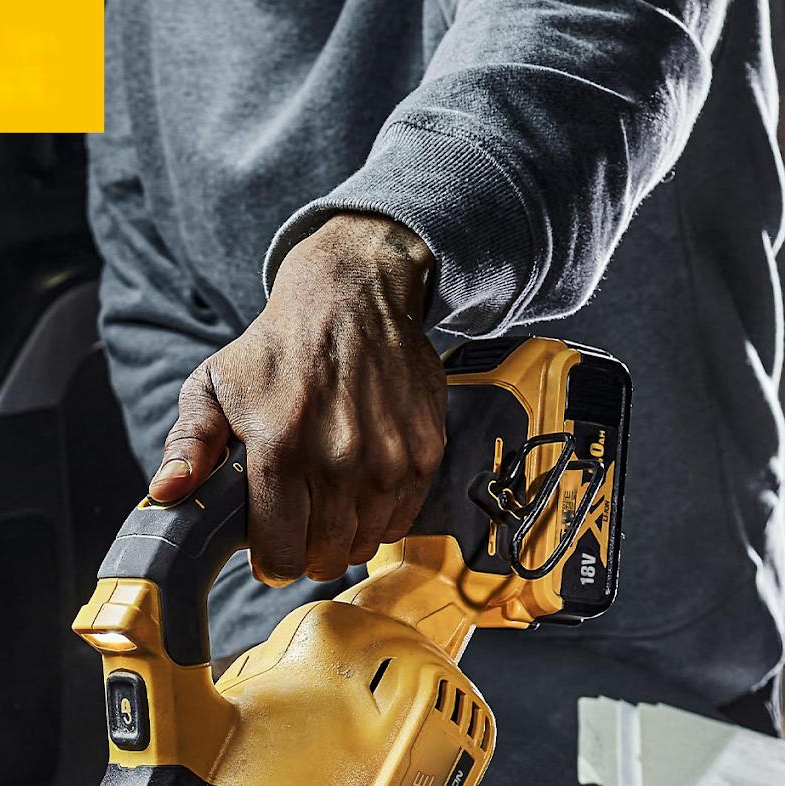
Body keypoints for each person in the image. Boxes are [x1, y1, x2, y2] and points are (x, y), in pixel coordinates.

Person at [87, 1, 784, 727]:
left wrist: (368, 258)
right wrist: (271, 636)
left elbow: (581, 26)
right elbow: (153, 302)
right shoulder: (105, 20)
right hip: (336, 650)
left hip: (646, 647)